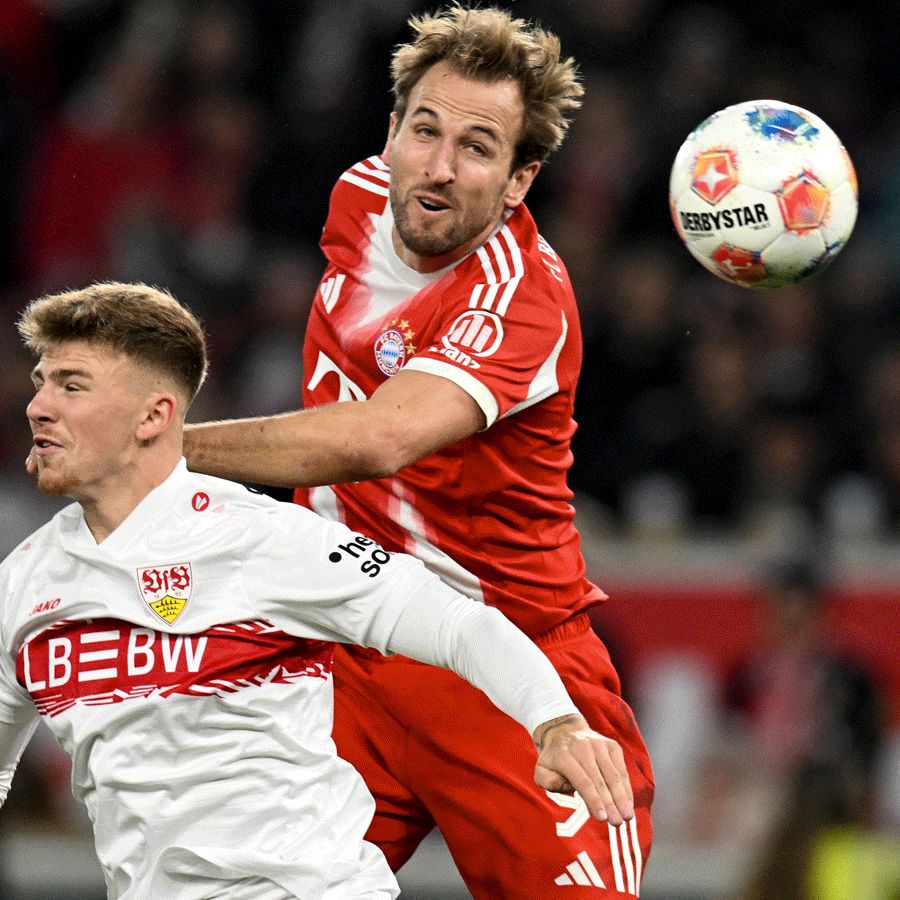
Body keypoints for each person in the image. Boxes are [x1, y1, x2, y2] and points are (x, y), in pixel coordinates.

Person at [182, 5, 654, 896]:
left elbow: (380, 437)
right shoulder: (359, 197)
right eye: (425, 130)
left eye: (478, 148)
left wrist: (163, 449)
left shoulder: (521, 298)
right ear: (392, 130)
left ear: (519, 181)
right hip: (348, 655)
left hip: (511, 673)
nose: (439, 166)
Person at [4, 282, 634, 900]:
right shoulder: (23, 584)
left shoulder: (262, 539)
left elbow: (459, 624)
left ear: (154, 416)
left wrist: (557, 725)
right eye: (41, 382)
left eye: (71, 386)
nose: (38, 406)